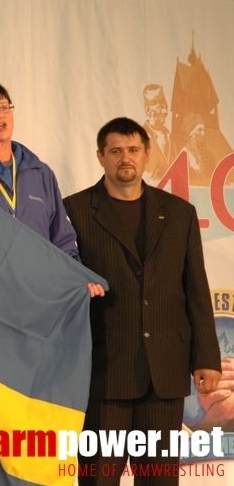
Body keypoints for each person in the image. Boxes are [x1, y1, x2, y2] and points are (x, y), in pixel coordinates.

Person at [62, 117, 221, 485]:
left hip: (164, 374)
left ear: (147, 154)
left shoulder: (179, 213)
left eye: (133, 150)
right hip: (103, 374)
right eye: (116, 151)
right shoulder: (75, 211)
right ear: (100, 156)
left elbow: (196, 290)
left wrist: (207, 358)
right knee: (98, 479)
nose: (125, 158)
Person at [0, 81, 104, 296]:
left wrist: (76, 279)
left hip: (39, 295)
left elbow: (61, 239)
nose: (0, 117)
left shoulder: (40, 173)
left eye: (5, 108)